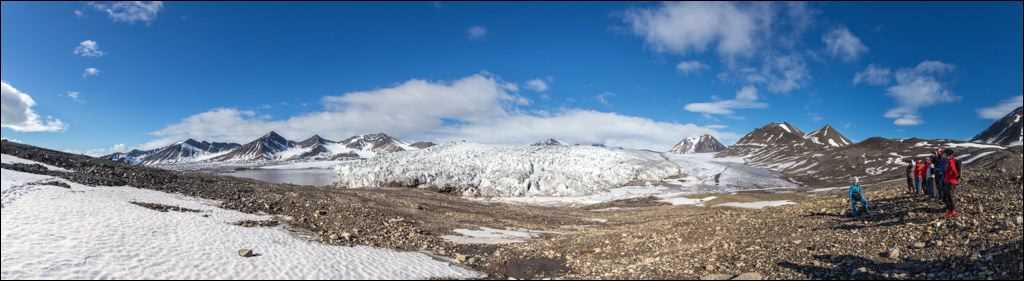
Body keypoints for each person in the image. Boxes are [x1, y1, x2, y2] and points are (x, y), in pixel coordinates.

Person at [942, 149, 962, 218]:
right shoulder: (950, 161)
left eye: (945, 154)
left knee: (950, 196)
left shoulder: (951, 161)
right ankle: (950, 210)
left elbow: (954, 172)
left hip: (951, 181)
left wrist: (952, 177)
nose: (943, 155)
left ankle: (952, 211)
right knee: (947, 196)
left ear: (949, 155)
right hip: (949, 181)